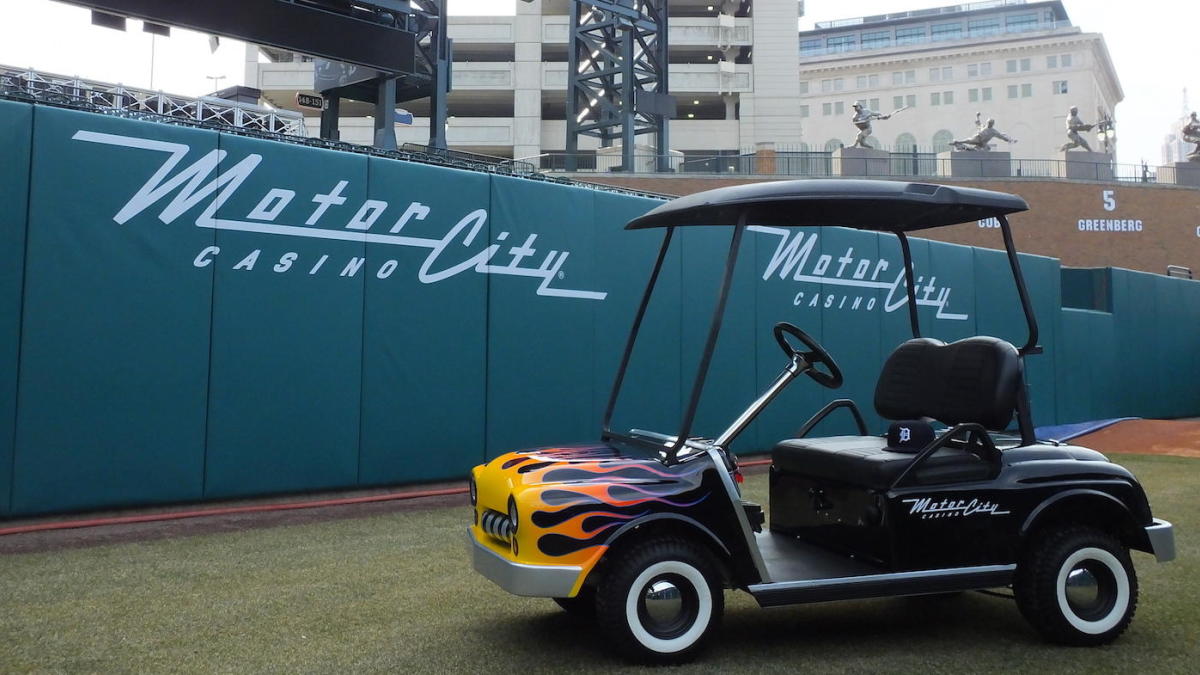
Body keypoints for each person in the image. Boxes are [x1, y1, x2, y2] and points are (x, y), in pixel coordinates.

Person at [951, 118, 1016, 151]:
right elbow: (978, 123)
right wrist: (977, 116)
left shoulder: (993, 131)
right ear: (987, 123)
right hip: (977, 138)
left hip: (982, 143)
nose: (989, 124)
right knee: (969, 140)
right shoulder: (983, 127)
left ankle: (970, 149)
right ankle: (957, 142)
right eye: (988, 123)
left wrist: (1010, 140)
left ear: (992, 124)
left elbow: (1002, 137)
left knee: (987, 148)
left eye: (990, 123)